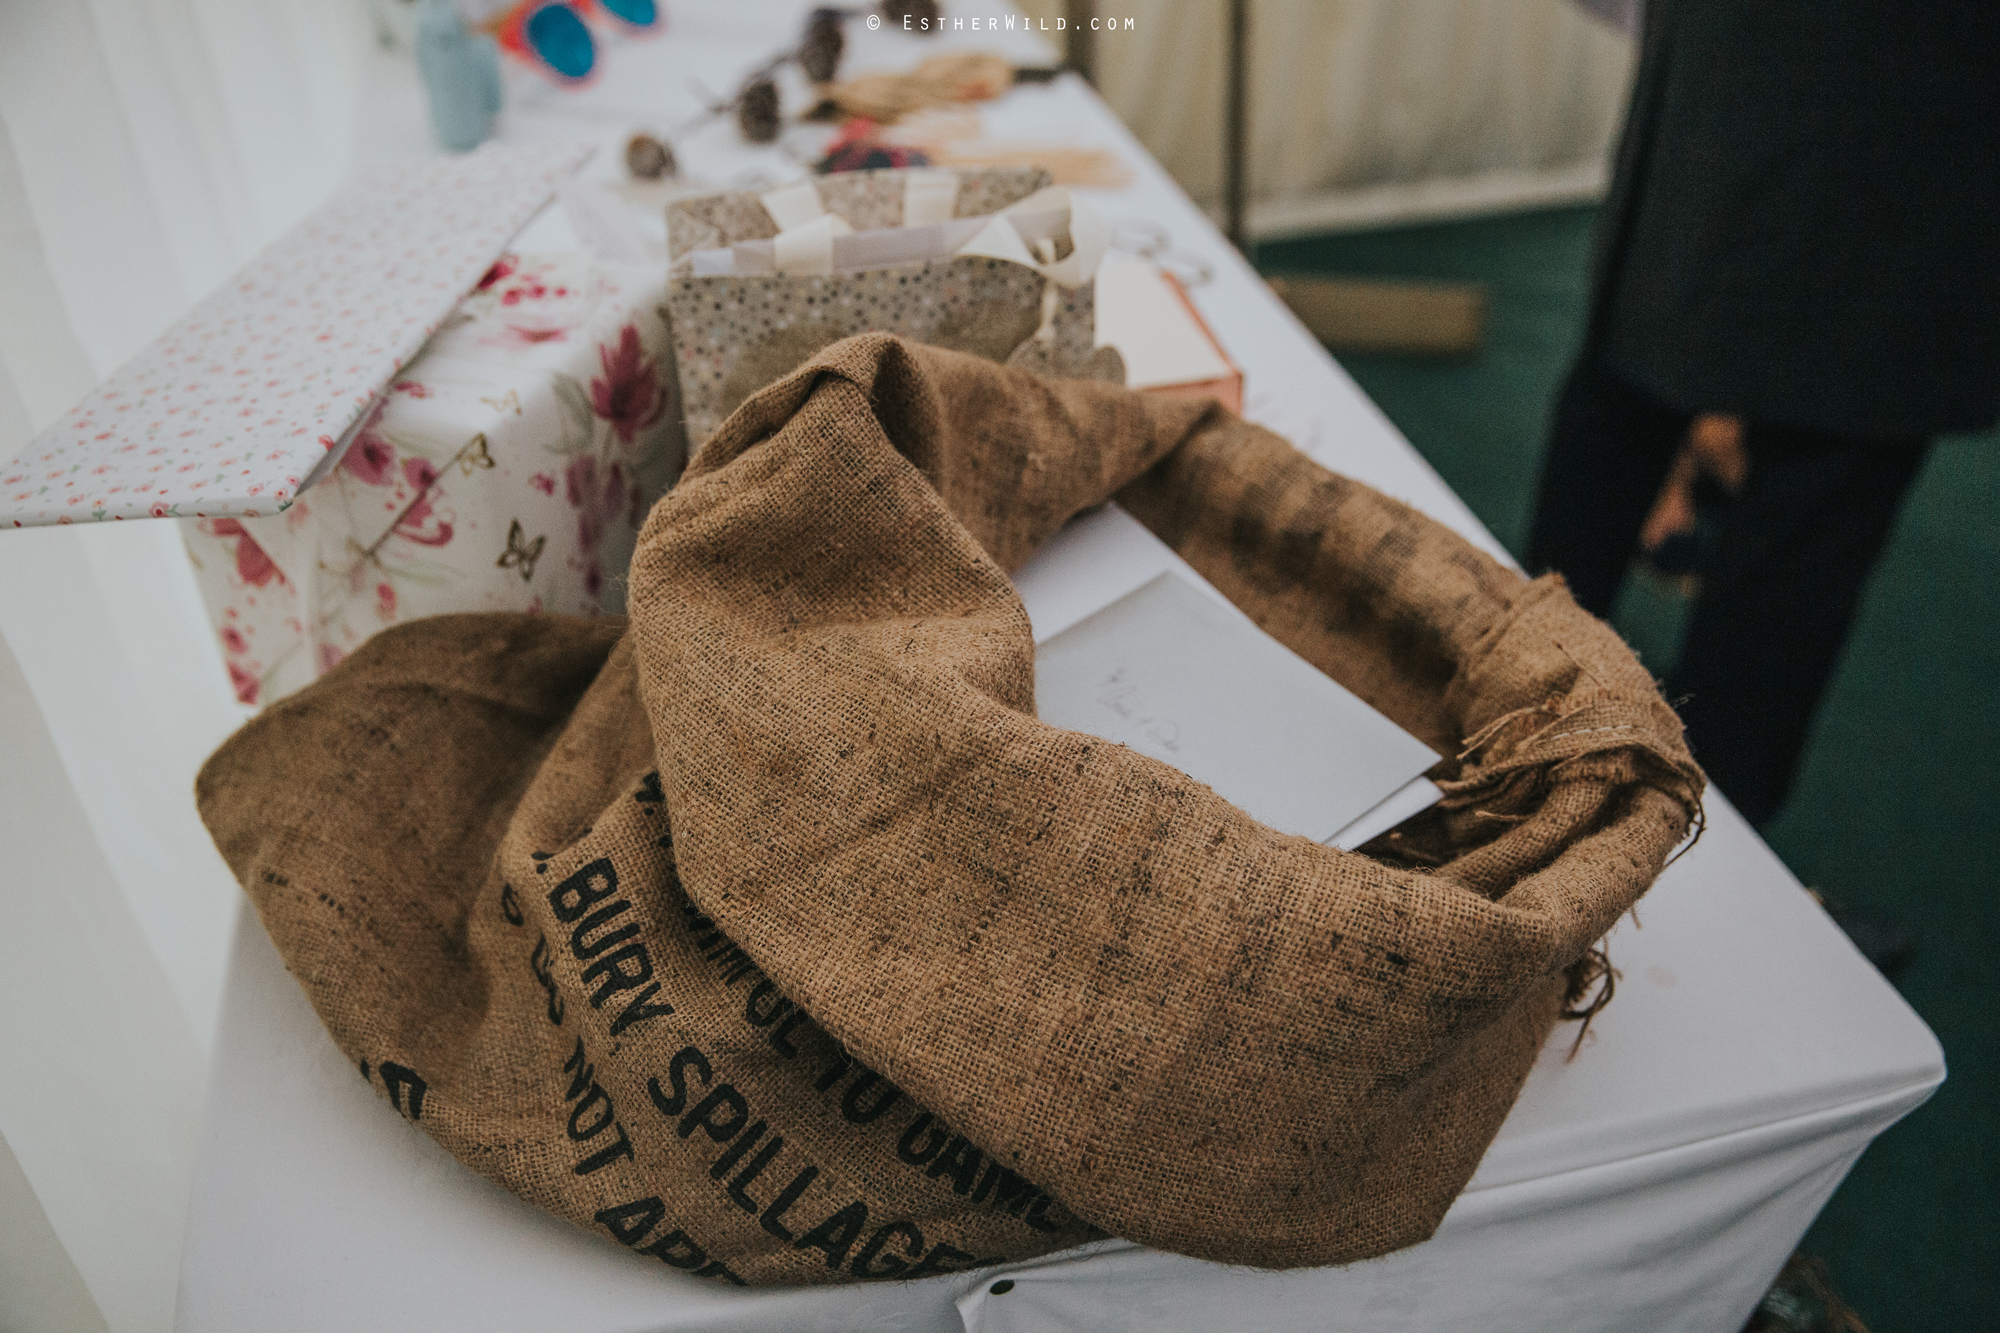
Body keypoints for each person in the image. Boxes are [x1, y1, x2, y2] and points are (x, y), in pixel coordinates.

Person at [1526, 0, 2000, 828]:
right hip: (1921, 94)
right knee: (1817, 483)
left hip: (1739, 62)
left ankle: (1506, 762)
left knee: (1642, 373)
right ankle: (1686, 868)